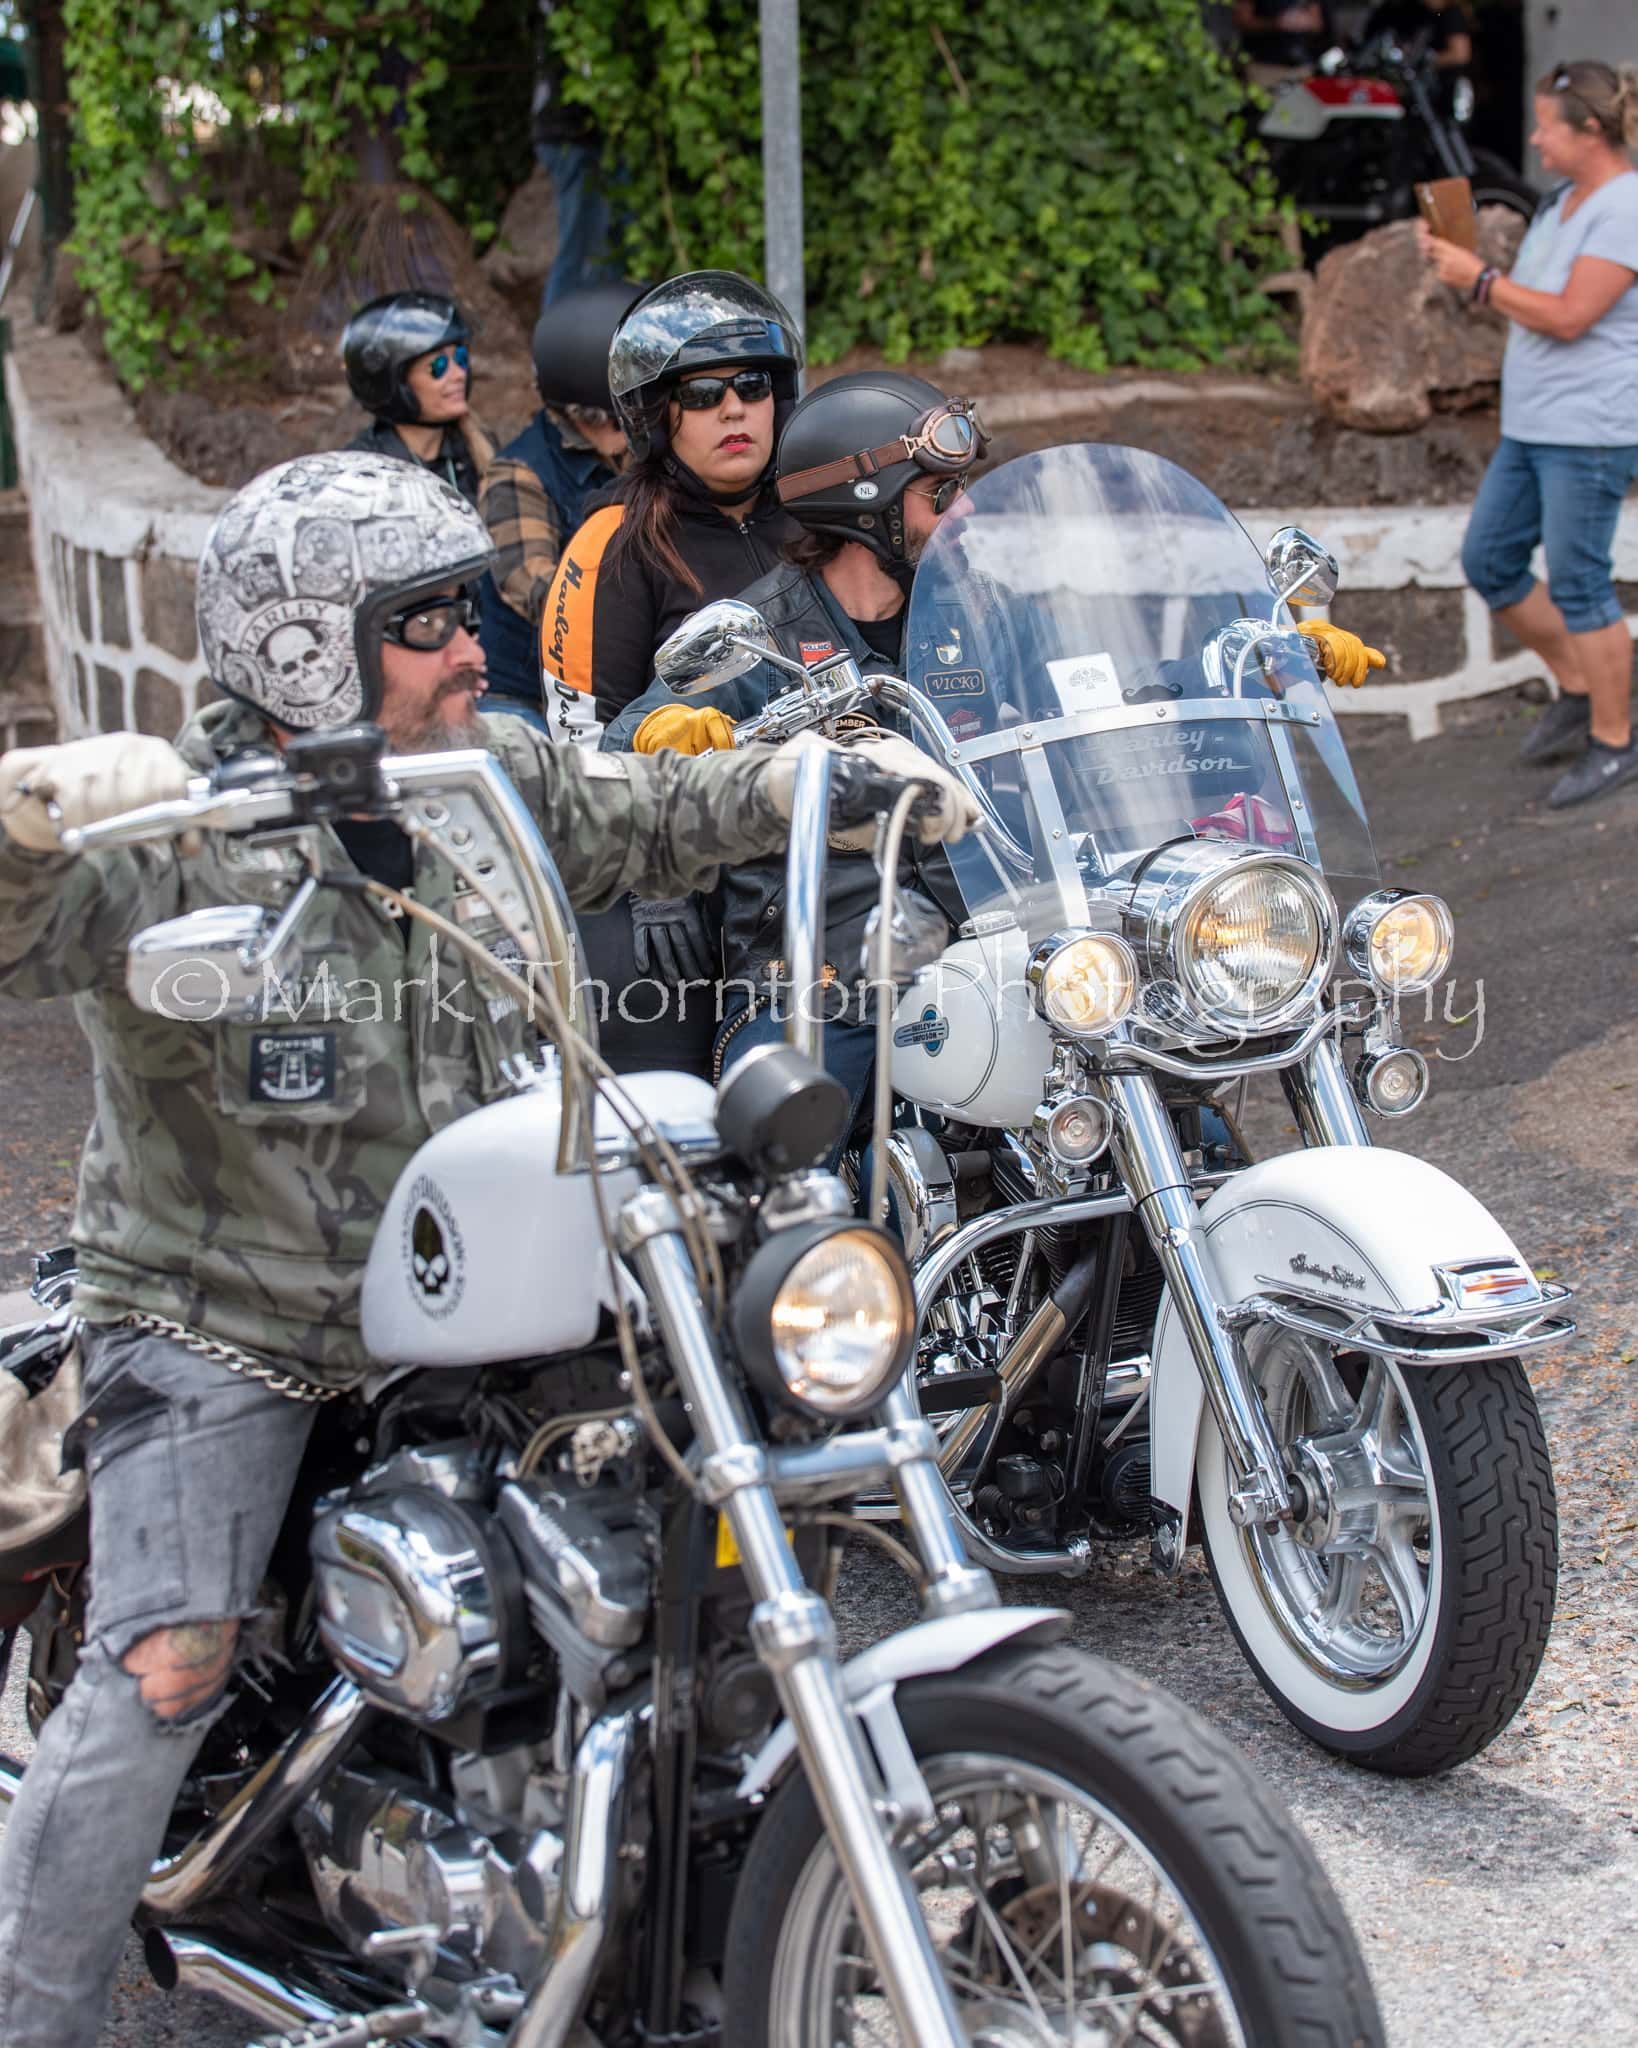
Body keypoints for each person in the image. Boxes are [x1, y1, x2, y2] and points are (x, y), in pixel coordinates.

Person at [0, 448, 977, 2048]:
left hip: (491, 1279)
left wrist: (812, 784)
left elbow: (648, 810)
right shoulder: (175, 834)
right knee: (164, 1665)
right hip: (226, 1315)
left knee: (687, 1556)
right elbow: (14, 922)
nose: (474, 647)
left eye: (469, 612)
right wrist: (32, 820)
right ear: (313, 645)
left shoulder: (481, 775)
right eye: (428, 622)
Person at [604, 371, 986, 1129]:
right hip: (817, 978)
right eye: (939, 494)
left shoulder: (974, 610)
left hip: (981, 955)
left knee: (1164, 1113)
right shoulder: (761, 635)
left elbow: (1079, 699)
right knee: (782, 1151)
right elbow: (626, 749)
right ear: (867, 509)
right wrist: (661, 870)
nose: (965, 509)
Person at [1420, 59, 1638, 807]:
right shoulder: (1561, 203)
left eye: (1549, 125)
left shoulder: (1626, 208)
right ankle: (1579, 686)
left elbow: (1571, 316)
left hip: (1591, 428)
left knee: (1579, 581)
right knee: (1491, 558)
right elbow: (1536, 300)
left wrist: (1478, 277)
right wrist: (1468, 269)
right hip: (1533, 426)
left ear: (1590, 129)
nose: (1537, 140)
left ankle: (1616, 740)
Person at [540, 269, 803, 726]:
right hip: (690, 790)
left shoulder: (819, 514)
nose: (734, 408)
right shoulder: (614, 542)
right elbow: (584, 743)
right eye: (701, 394)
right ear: (656, 418)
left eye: (753, 385)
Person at [477, 279, 637, 729]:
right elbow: (539, 592)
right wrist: (642, 610)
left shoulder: (638, 451)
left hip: (615, 681)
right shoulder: (517, 475)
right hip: (526, 694)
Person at [342, 291, 493, 508]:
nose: (459, 374)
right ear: (394, 382)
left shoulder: (478, 450)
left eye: (460, 357)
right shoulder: (362, 472)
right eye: (438, 366)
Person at [532, 1, 613, 307]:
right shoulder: (568, 15)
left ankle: (596, 332)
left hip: (585, 133)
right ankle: (553, 347)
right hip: (568, 132)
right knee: (580, 247)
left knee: (602, 245)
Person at [1232, 0, 1336, 87]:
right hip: (1264, 66)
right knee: (1267, 110)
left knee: (1300, 109)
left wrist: (1305, 21)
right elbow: (1241, 20)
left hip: (1301, 67)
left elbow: (1317, 23)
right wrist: (1275, 23)